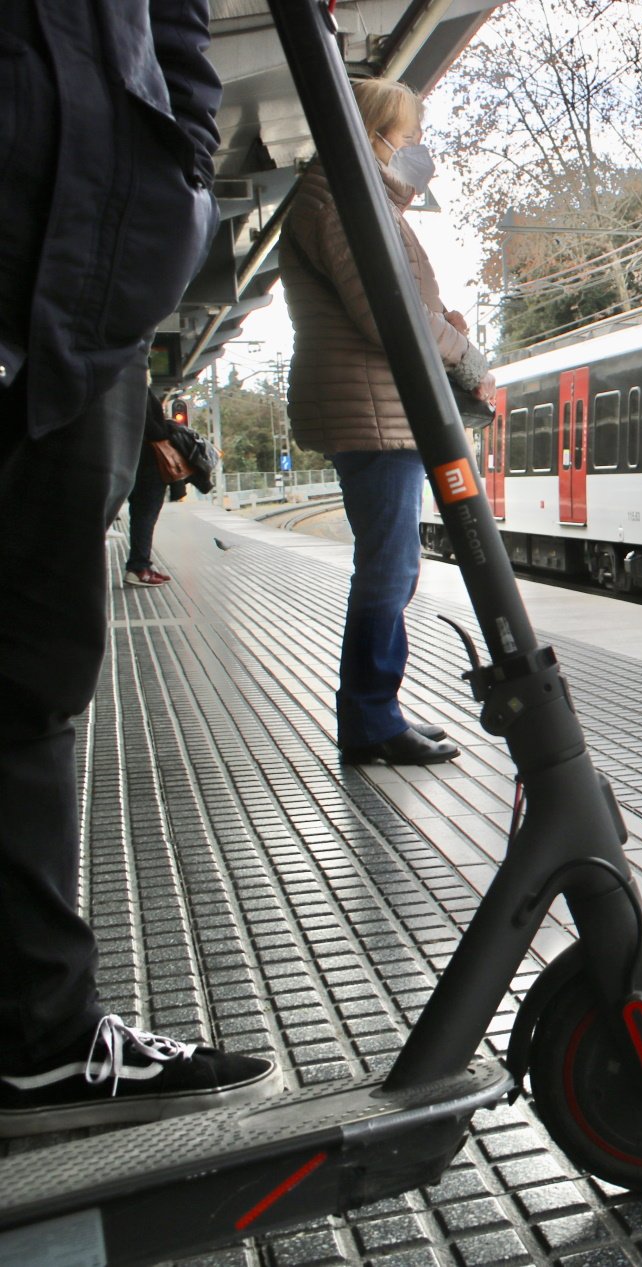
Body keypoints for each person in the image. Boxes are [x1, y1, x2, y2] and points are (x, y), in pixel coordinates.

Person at [0, 0, 278, 1136]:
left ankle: (38, 1038)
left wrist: (175, 170)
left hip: (79, 307)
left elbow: (172, 38)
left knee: (31, 684)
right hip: (55, 267)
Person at [281, 77, 491, 767]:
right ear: (371, 133)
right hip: (369, 406)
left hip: (377, 403)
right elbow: (386, 312)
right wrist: (465, 354)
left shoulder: (348, 196)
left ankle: (379, 709)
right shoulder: (342, 199)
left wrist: (446, 331)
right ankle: (371, 719)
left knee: (391, 565)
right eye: (402, 137)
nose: (412, 150)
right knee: (389, 566)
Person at [124, 389, 184, 588]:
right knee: (145, 515)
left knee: (141, 515)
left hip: (133, 460)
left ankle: (141, 565)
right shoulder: (137, 387)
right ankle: (138, 568)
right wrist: (169, 427)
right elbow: (151, 428)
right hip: (146, 464)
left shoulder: (124, 383)